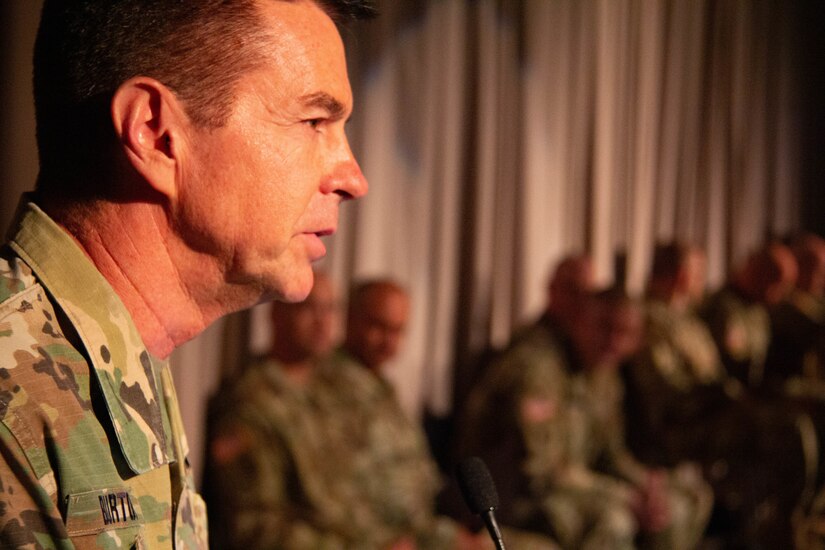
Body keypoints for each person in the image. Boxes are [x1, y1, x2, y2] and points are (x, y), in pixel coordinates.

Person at [0, 1, 372, 547]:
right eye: (314, 121)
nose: (352, 178)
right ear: (156, 133)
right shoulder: (14, 382)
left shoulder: (120, 355)